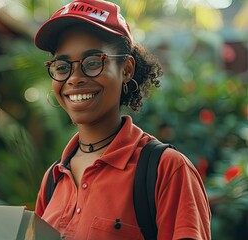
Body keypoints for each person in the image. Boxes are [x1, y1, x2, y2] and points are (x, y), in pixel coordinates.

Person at [33, 0, 211, 239]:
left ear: (126, 69)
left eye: (93, 63)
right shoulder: (53, 179)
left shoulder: (166, 169)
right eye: (63, 66)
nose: (74, 78)